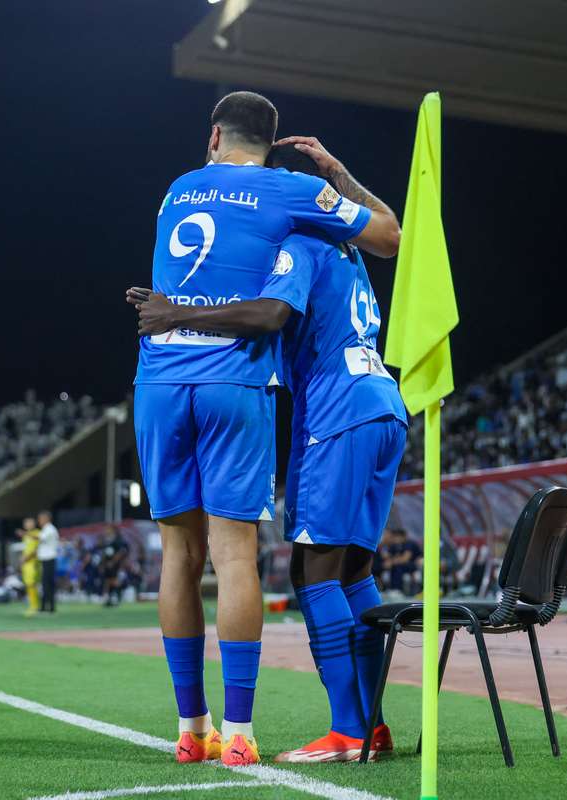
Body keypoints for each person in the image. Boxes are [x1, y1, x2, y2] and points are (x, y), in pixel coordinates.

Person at [126, 90, 400, 767]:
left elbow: (274, 312)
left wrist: (175, 314)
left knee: (190, 560)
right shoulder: (299, 203)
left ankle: (199, 727)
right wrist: (332, 177)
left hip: (167, 380)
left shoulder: (180, 190)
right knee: (256, 560)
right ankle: (261, 730)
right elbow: (389, 233)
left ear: (213, 136)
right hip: (312, 392)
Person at [379, 527, 421, 596]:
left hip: (413, 564)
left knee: (398, 566)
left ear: (403, 537)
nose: (396, 539)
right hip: (401, 565)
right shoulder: (395, 545)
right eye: (395, 537)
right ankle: (387, 589)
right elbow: (387, 556)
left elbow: (405, 559)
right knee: (382, 566)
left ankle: (398, 590)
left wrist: (391, 562)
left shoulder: (409, 543)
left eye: (398, 537)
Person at [37, 511, 59, 613]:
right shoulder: (45, 529)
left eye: (41, 519)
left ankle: (48, 607)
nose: (39, 521)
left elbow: (39, 538)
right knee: (46, 584)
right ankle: (47, 607)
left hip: (49, 559)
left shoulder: (50, 529)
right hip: (46, 559)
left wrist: (25, 534)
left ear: (46, 519)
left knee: (47, 584)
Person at [19, 517, 41, 617]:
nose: (28, 524)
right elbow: (26, 548)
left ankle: (35, 606)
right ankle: (31, 605)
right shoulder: (25, 536)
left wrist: (27, 557)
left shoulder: (37, 533)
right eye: (26, 523)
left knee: (32, 584)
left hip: (33, 562)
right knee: (28, 584)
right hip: (26, 563)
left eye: (30, 523)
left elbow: (37, 549)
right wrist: (22, 559)